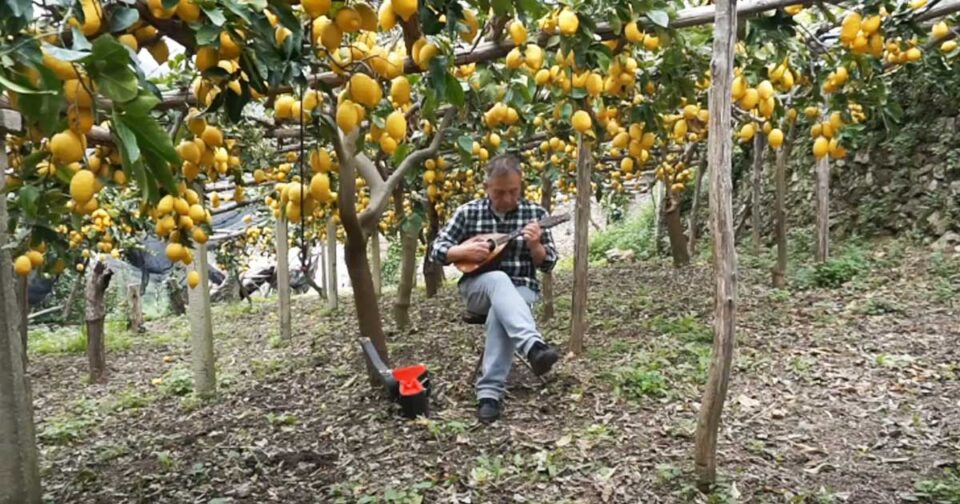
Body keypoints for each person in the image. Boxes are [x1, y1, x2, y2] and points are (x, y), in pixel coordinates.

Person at [430, 153, 561, 423]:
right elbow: (437, 250)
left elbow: (547, 264)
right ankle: (533, 346)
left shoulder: (535, 215)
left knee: (499, 313)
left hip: (522, 288)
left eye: (514, 191)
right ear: (486, 187)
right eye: (499, 192)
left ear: (521, 185)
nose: (508, 198)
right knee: (499, 279)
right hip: (477, 289)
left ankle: (489, 395)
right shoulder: (468, 212)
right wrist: (461, 251)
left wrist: (535, 245)